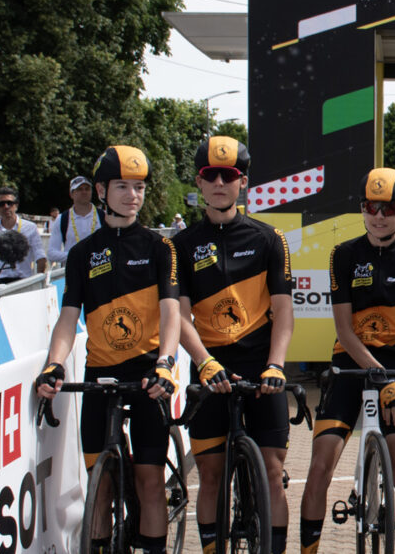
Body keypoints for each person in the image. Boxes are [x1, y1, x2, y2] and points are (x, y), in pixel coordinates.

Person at [33, 145, 182, 554]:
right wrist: (54, 364)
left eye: (139, 187)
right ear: (101, 190)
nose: (133, 195)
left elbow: (171, 313)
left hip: (150, 373)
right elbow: (68, 318)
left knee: (150, 481)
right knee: (98, 486)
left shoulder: (159, 248)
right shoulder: (82, 254)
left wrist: (166, 362)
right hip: (101, 373)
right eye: (122, 187)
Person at [300, 167, 395, 554]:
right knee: (319, 467)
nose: (379, 216)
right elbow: (345, 332)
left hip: (394, 364)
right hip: (350, 362)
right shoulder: (344, 255)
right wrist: (378, 377)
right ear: (362, 208)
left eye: (389, 208)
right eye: (371, 207)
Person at [172, 136, 297, 553]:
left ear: (243, 182)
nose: (220, 183)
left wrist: (276, 364)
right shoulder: (181, 246)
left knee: (273, 471)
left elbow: (284, 311)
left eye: (229, 175)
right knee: (210, 476)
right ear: (199, 182)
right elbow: (179, 316)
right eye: (211, 175)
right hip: (210, 368)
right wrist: (203, 362)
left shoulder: (269, 238)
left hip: (261, 368)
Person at [0, 186, 47, 283]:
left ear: (16, 205)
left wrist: (39, 281)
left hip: (24, 281)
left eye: (9, 203)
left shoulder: (31, 227)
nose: (6, 206)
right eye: (1, 204)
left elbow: (40, 257)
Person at [48, 176, 103, 265]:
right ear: (71, 194)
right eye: (79, 189)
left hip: (99, 268)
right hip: (72, 269)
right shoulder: (62, 219)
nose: (84, 192)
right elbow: (51, 253)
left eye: (87, 189)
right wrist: (75, 255)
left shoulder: (103, 216)